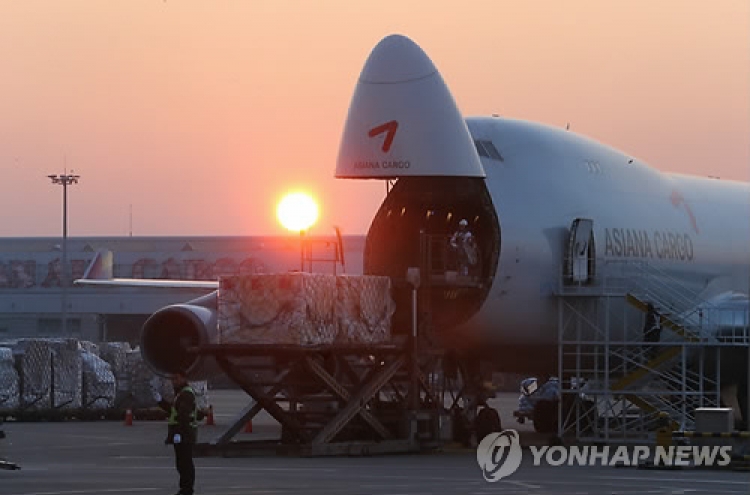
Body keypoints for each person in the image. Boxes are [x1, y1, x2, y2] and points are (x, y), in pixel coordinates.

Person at [155, 370, 199, 495]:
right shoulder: (180, 393)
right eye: (172, 379)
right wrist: (160, 401)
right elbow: (173, 410)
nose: (173, 381)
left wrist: (179, 433)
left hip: (185, 433)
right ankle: (184, 488)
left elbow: (182, 415)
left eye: (176, 378)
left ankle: (187, 489)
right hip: (181, 433)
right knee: (181, 463)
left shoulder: (186, 394)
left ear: (184, 378)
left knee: (185, 463)